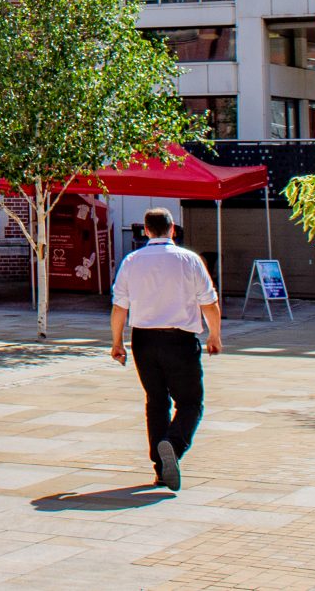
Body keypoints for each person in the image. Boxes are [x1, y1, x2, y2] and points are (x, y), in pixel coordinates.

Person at [109, 206, 221, 491]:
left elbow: (119, 306)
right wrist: (215, 336)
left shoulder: (132, 261)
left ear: (145, 230)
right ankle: (172, 444)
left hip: (144, 340)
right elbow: (209, 302)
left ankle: (161, 469)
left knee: (156, 401)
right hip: (180, 339)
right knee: (191, 402)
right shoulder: (189, 260)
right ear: (173, 229)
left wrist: (117, 342)